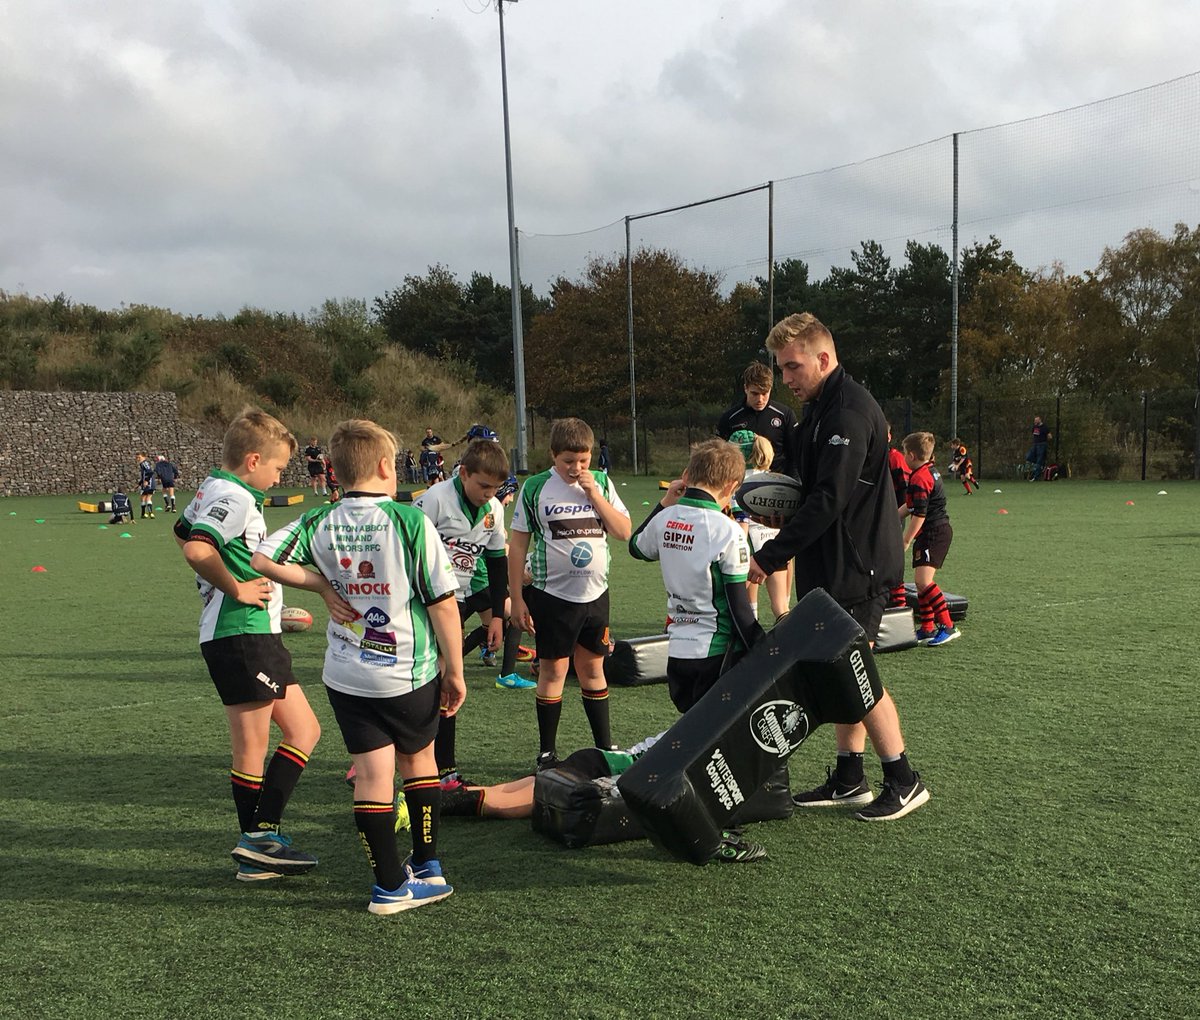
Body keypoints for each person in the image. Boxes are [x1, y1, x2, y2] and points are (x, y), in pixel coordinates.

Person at [251, 418, 466, 915]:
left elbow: (263, 559)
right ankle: (427, 865)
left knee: (372, 776)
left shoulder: (319, 520)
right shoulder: (410, 521)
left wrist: (322, 587)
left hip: (347, 675)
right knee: (419, 762)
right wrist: (455, 670)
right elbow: (443, 605)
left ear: (336, 471)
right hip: (407, 671)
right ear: (388, 466)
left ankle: (389, 886)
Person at [745, 313, 930, 822]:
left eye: (792, 367)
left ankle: (904, 779)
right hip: (834, 564)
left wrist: (770, 555)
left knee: (858, 672)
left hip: (859, 567)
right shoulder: (820, 409)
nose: (786, 379)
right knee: (847, 671)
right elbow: (806, 488)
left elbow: (828, 500)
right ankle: (851, 776)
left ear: (823, 359)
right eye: (781, 369)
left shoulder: (848, 412)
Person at [173, 407, 325, 881]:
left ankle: (262, 836)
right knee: (252, 747)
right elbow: (198, 547)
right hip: (238, 633)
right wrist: (234, 588)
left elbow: (182, 531)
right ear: (254, 459)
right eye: (279, 468)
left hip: (255, 634)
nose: (280, 477)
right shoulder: (234, 495)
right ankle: (257, 846)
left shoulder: (213, 487)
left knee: (304, 731)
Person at [509, 417, 631, 771]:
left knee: (593, 669)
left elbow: (623, 531)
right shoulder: (534, 488)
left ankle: (605, 746)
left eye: (583, 460)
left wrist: (594, 494)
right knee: (553, 672)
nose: (576, 468)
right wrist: (517, 598)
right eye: (568, 461)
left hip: (596, 596)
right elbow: (517, 547)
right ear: (552, 455)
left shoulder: (603, 484)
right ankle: (547, 753)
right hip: (553, 598)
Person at [439, 735, 767, 863]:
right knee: (522, 804)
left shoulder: (694, 730)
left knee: (523, 787)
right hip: (597, 768)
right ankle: (444, 806)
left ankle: (439, 797)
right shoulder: (699, 750)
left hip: (595, 759)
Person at [414, 439, 533, 790]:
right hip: (423, 602)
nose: (488, 493)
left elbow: (496, 564)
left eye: (495, 488)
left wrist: (498, 616)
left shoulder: (493, 509)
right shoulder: (433, 501)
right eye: (482, 485)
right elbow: (407, 553)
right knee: (431, 682)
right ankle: (382, 759)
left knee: (446, 682)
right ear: (463, 473)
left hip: (459, 600)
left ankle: (444, 771)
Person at [629, 438, 765, 714]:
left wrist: (665, 503)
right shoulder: (728, 531)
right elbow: (739, 609)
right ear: (731, 487)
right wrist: (766, 648)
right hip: (717, 655)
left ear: (687, 476)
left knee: (691, 735)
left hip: (677, 651)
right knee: (718, 739)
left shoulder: (665, 518)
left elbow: (636, 547)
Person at [900, 432, 960, 647]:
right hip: (931, 532)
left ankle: (948, 625)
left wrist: (906, 539)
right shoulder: (927, 471)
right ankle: (927, 627)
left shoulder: (920, 477)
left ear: (913, 455)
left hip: (934, 532)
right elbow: (911, 506)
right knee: (919, 582)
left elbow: (920, 514)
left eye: (905, 453)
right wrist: (890, 517)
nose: (904, 457)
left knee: (924, 582)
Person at [729, 431, 791, 622]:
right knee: (781, 606)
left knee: (743, 607)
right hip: (775, 546)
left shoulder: (737, 482)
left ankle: (749, 646)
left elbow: (742, 520)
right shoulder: (775, 480)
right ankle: (791, 644)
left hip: (749, 548)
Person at [716, 361, 798, 474]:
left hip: (777, 481)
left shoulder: (784, 415)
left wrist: (793, 483)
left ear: (770, 389)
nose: (760, 399)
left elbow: (796, 454)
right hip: (741, 483)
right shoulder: (730, 418)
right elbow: (718, 456)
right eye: (754, 394)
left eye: (764, 393)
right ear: (746, 388)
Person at [886, 425, 911, 609]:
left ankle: (897, 600)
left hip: (892, 512)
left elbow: (903, 487)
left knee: (890, 553)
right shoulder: (870, 454)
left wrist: (897, 515)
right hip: (876, 512)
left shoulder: (894, 457)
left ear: (888, 436)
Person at [1027, 415, 1051, 480]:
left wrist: (1045, 440)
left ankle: (1036, 476)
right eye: (1035, 420)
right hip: (1035, 444)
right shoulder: (1034, 427)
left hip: (1042, 444)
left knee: (1039, 461)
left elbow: (1049, 436)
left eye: (1036, 420)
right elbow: (1033, 434)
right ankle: (1041, 464)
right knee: (1028, 457)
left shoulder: (1044, 427)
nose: (1035, 421)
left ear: (1040, 420)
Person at [135, 453, 156, 518]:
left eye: (139, 457)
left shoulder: (144, 463)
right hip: (150, 484)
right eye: (137, 458)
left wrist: (146, 481)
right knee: (146, 497)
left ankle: (146, 513)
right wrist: (139, 484)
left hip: (148, 483)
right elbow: (144, 476)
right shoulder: (142, 464)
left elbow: (150, 472)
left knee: (144, 497)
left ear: (144, 457)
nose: (138, 459)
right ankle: (148, 513)